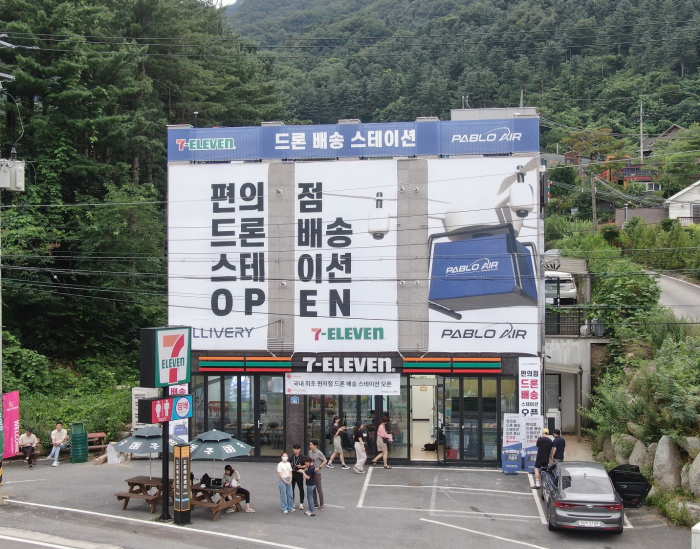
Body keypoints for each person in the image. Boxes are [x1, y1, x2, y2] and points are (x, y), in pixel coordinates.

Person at [308, 439, 327, 510]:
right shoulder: (310, 452)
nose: (310, 446)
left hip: (317, 473)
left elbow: (325, 460)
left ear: (315, 446)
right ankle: (315, 502)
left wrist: (319, 467)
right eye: (310, 445)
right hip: (311, 472)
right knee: (313, 488)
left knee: (319, 488)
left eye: (311, 445)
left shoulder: (319, 453)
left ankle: (321, 504)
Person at [291, 443, 306, 510]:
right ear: (293, 449)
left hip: (299, 474)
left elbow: (306, 465)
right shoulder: (291, 457)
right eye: (295, 449)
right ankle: (292, 502)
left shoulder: (302, 457)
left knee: (301, 489)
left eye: (297, 449)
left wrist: (301, 467)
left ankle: (301, 504)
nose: (296, 450)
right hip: (292, 474)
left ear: (300, 449)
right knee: (292, 489)